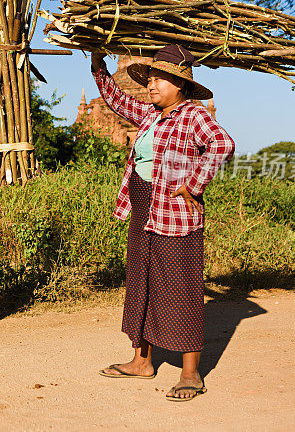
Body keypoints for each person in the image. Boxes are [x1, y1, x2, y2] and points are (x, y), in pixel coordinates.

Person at [90, 44, 234, 401]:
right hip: (143, 208)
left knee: (180, 289)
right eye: (151, 78)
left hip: (176, 215)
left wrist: (194, 183)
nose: (153, 85)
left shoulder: (192, 115)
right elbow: (118, 102)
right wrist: (98, 67)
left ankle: (190, 373)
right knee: (142, 282)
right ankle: (142, 362)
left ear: (181, 84)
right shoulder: (152, 115)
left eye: (161, 79)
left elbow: (222, 144)